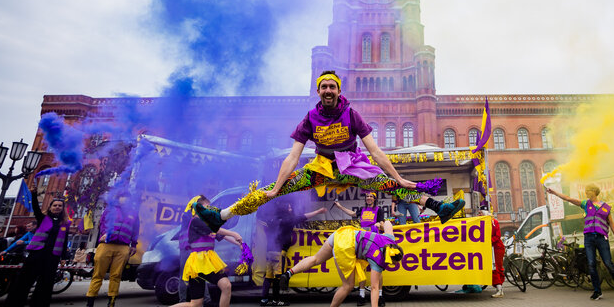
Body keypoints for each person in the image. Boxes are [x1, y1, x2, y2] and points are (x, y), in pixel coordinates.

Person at [192, 71, 465, 233]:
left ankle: (438, 207)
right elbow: (293, 156)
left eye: (332, 86)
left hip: (354, 166)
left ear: (338, 90)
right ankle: (221, 216)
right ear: (319, 91)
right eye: (323, 87)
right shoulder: (310, 118)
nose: (328, 90)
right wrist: (277, 187)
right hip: (321, 170)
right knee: (268, 189)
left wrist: (397, 176)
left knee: (394, 184)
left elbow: (376, 152)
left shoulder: (351, 114)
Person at [146, 196, 244, 307]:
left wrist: (239, 244)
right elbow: (216, 231)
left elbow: (220, 235)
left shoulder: (206, 222)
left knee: (196, 304)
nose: (209, 210)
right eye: (206, 207)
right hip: (198, 262)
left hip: (207, 261)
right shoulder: (196, 221)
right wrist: (233, 233)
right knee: (224, 286)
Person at [278, 221, 403, 307]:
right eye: (394, 263)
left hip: (341, 233)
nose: (394, 265)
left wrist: (380, 226)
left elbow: (387, 222)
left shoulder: (390, 238)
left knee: (316, 259)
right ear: (389, 259)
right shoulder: (378, 261)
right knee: (348, 285)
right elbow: (375, 287)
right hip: (345, 246)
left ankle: (289, 273)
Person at [0, 180, 71, 307]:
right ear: (50, 207)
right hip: (37, 254)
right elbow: (36, 207)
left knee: (44, 284)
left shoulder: (65, 224)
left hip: (52, 257)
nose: (57, 207)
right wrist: (34, 193)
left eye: (60, 206)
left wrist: (63, 257)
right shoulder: (43, 219)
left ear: (63, 208)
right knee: (22, 283)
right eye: (55, 205)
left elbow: (64, 241)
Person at [546, 184, 614, 301]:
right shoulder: (586, 204)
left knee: (608, 264)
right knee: (591, 264)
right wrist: (554, 193)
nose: (586, 193)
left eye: (588, 191)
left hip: (601, 239)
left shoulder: (606, 207)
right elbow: (567, 198)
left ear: (595, 192)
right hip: (589, 238)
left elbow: (611, 223)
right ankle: (597, 291)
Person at [258, 201, 326, 307]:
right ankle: (276, 300)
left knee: (268, 276)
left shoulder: (272, 219)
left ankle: (264, 299)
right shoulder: (288, 220)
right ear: (285, 209)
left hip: (269, 251)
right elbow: (303, 217)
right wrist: (318, 211)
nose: (291, 209)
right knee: (277, 277)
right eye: (289, 207)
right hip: (279, 252)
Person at [83, 191, 140, 307]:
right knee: (98, 275)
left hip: (123, 248)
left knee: (116, 276)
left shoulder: (134, 213)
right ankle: (89, 305)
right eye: (122, 197)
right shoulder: (110, 210)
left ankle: (111, 305)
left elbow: (135, 230)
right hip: (106, 245)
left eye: (127, 198)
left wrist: (134, 245)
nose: (124, 200)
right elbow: (103, 223)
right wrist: (104, 234)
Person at [334, 191, 388, 306]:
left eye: (371, 196)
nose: (368, 198)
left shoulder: (379, 210)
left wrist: (379, 224)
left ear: (374, 199)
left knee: (377, 268)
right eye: (367, 196)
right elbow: (353, 214)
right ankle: (362, 295)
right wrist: (340, 207)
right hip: (363, 240)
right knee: (361, 267)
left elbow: (383, 223)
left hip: (374, 239)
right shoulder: (362, 210)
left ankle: (380, 295)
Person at [490, 213, 506, 298]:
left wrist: (489, 241)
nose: (479, 214)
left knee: (496, 267)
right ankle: (499, 288)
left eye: (480, 212)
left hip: (496, 248)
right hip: (491, 248)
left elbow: (497, 235)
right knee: (493, 268)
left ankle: (500, 290)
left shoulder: (494, 222)